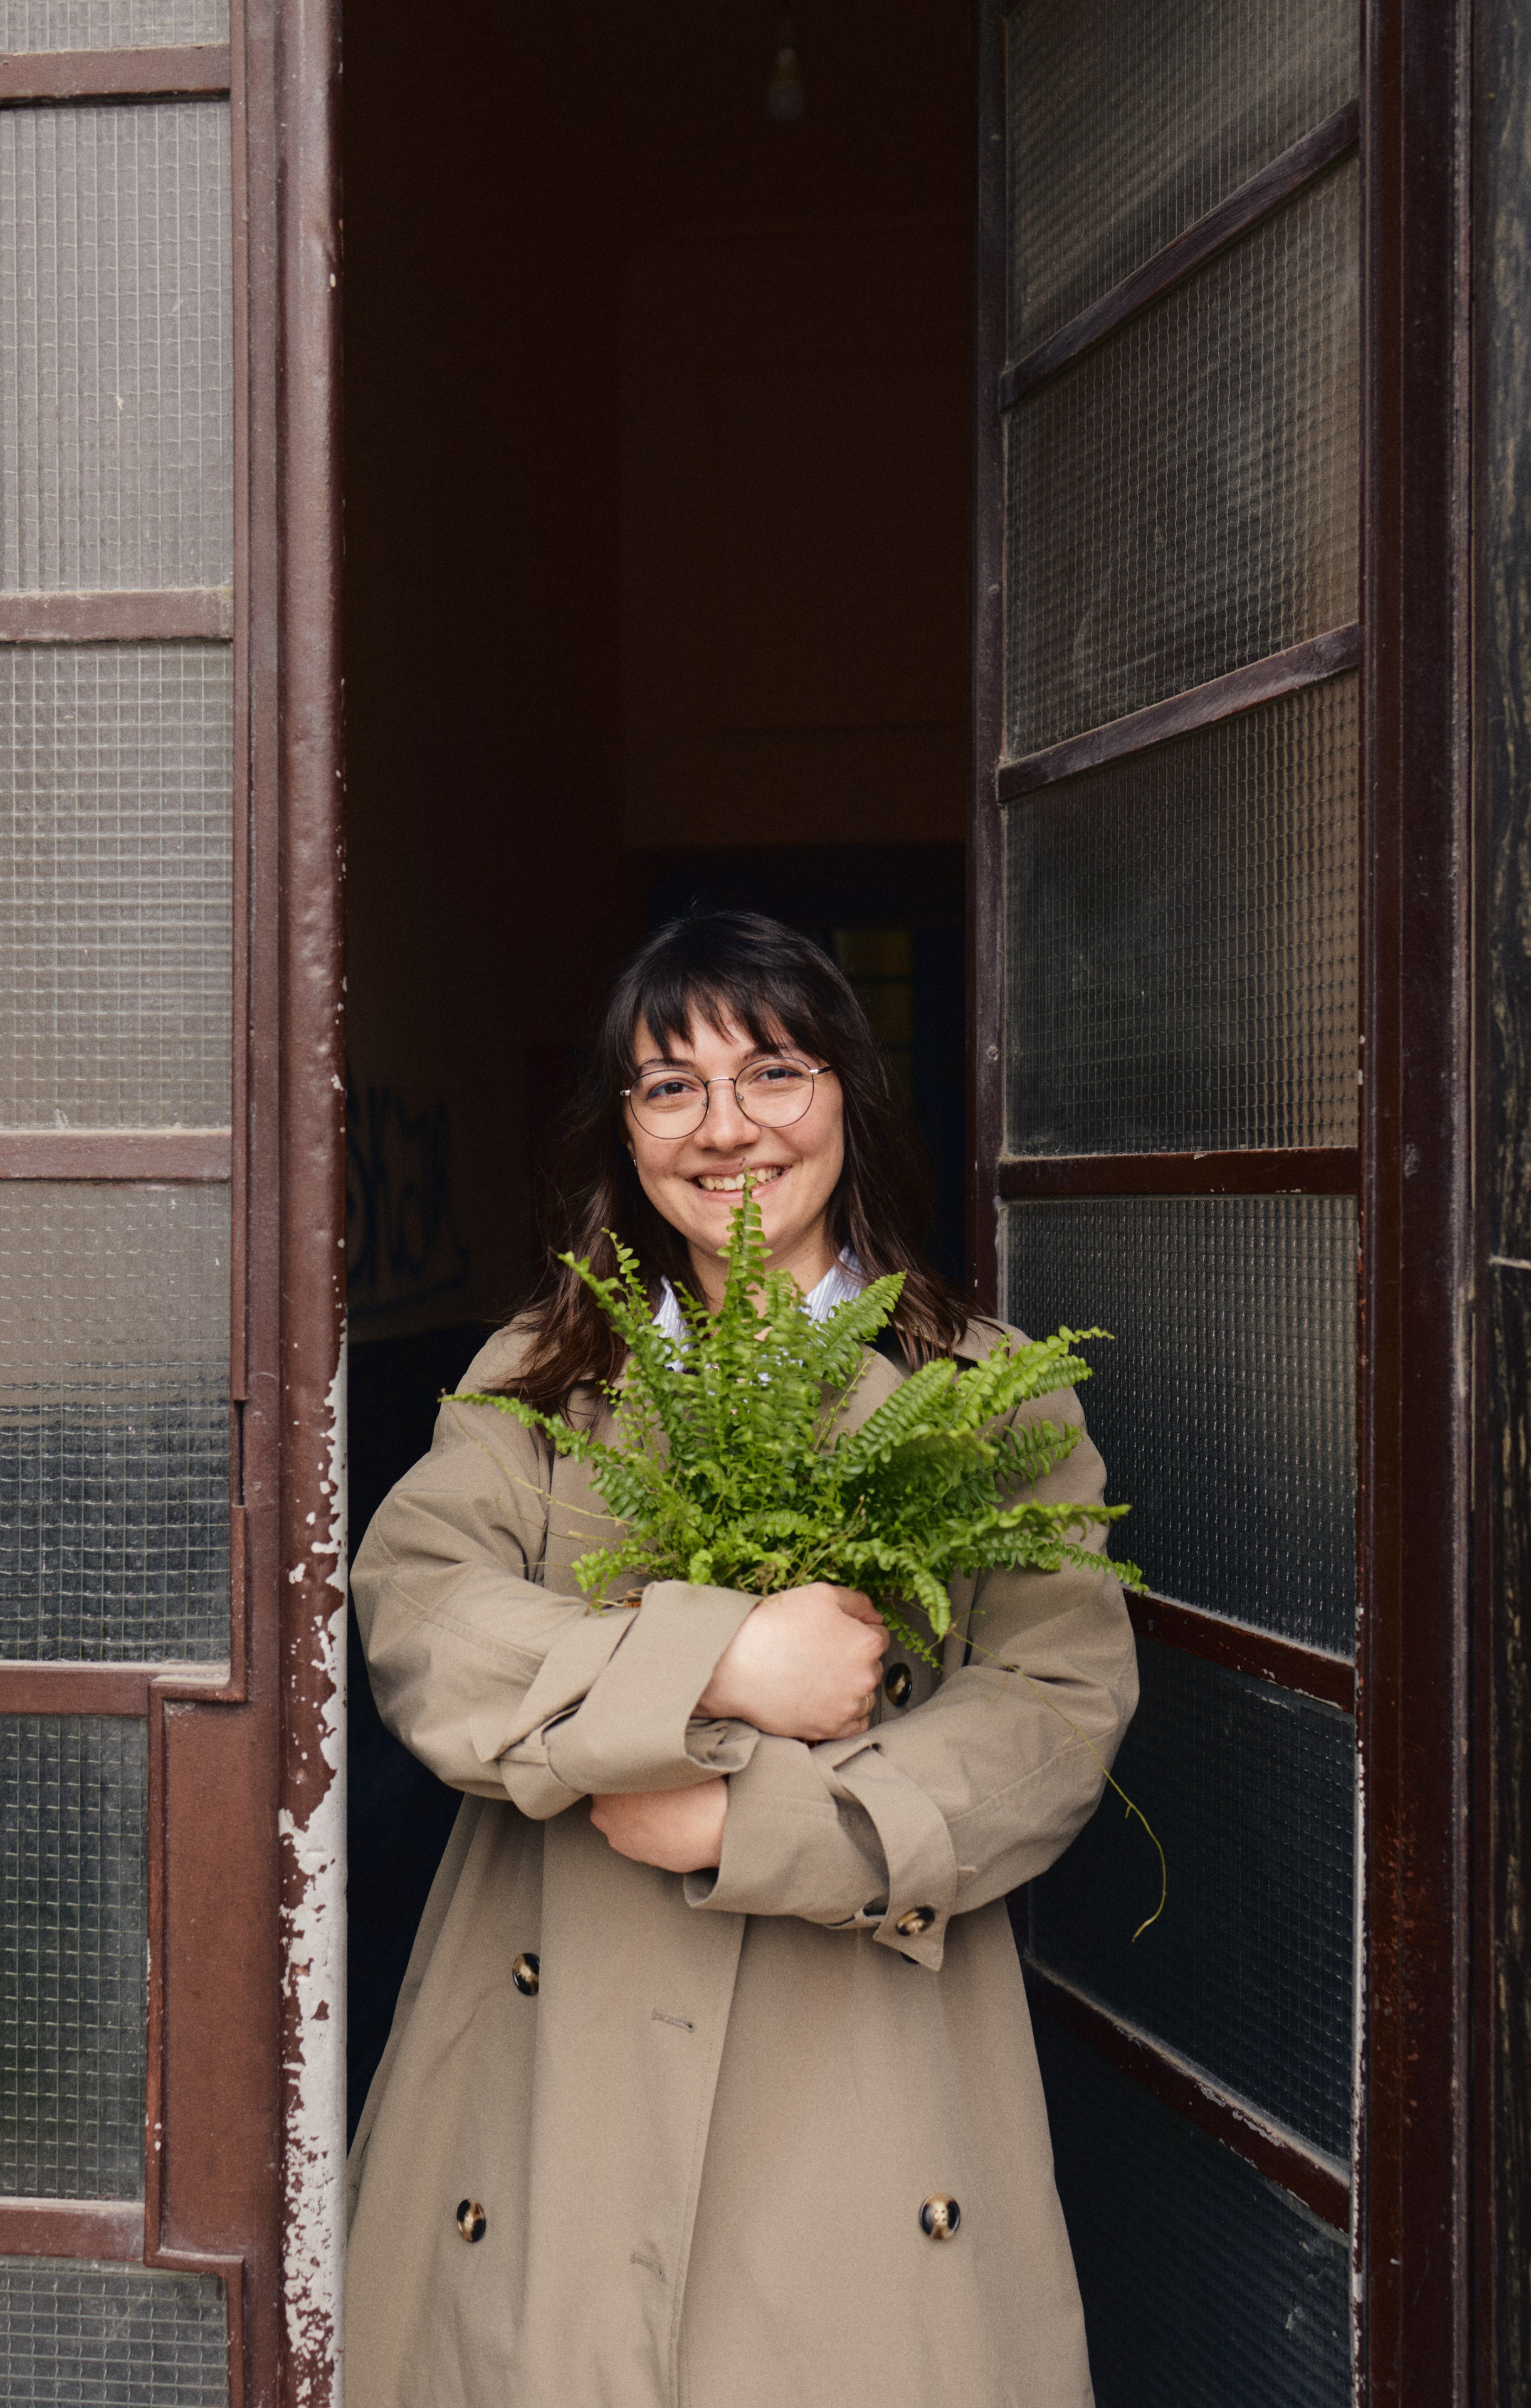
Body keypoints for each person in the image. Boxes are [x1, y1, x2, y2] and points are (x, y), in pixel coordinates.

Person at [345, 909, 1138, 2408]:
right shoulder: (539, 1374)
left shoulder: (982, 1394)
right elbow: (421, 1610)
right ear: (623, 1129)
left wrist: (756, 1822)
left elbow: (1053, 1710)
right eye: (670, 1086)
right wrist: (721, 1663)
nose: (726, 1130)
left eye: (773, 1071)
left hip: (860, 2038)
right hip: (555, 2058)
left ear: (848, 1093)